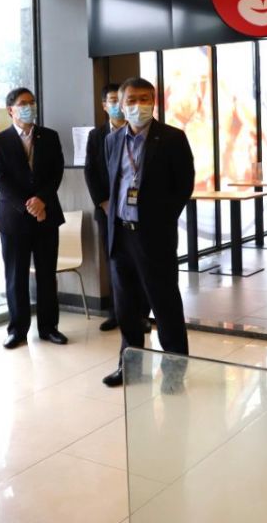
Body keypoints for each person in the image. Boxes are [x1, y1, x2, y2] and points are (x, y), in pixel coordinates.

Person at [99, 77, 194, 389]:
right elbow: (113, 182)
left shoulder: (172, 138)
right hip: (120, 235)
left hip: (154, 236)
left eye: (145, 99)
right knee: (126, 308)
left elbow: (183, 185)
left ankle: (174, 372)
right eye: (131, 100)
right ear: (121, 104)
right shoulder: (113, 140)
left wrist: (161, 220)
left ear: (154, 102)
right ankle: (130, 368)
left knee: (165, 305)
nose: (138, 105)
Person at [0, 87, 68, 348]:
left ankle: (49, 327)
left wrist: (42, 200)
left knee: (47, 275)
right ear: (10, 110)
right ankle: (17, 330)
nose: (29, 107)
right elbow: (0, 180)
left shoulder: (50, 136)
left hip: (47, 216)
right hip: (13, 220)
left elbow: (56, 172)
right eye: (23, 103)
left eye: (32, 102)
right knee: (16, 277)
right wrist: (29, 206)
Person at [85, 83, 127, 332]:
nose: (117, 105)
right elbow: (90, 171)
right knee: (114, 262)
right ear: (104, 105)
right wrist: (102, 202)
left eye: (120, 100)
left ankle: (140, 314)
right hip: (107, 211)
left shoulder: (137, 130)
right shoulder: (96, 136)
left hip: (135, 211)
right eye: (112, 100)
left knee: (137, 263)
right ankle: (116, 313)